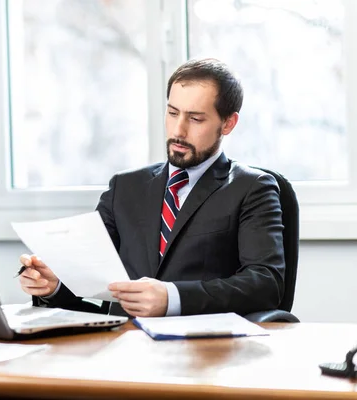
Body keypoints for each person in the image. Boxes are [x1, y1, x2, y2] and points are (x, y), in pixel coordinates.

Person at [18, 58, 285, 318]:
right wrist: (55, 287)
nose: (178, 130)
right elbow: (95, 290)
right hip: (124, 346)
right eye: (172, 113)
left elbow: (265, 284)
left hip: (204, 349)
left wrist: (172, 298)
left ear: (228, 123)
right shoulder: (124, 188)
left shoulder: (252, 188)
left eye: (195, 119)